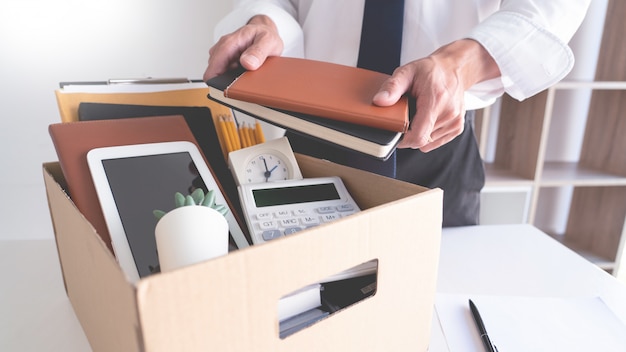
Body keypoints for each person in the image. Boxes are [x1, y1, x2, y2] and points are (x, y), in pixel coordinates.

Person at [203, 0, 590, 227]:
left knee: (433, 310)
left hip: (434, 140)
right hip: (310, 136)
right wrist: (265, 20)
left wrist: (460, 64)